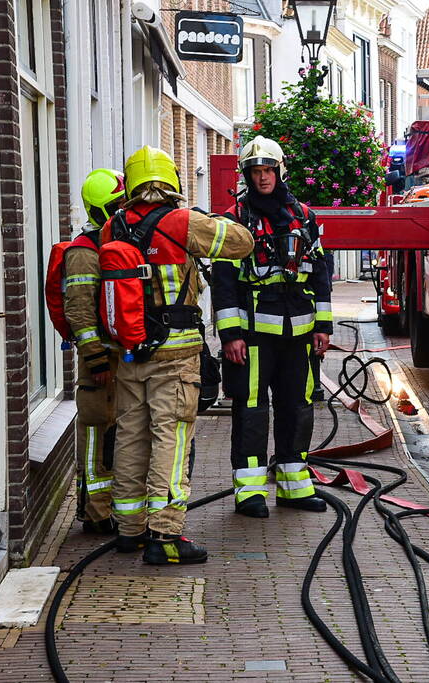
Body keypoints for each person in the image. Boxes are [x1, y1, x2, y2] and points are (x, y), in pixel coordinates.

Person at [104, 146, 253, 564]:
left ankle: (129, 529)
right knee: (171, 436)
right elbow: (243, 243)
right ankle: (165, 534)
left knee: (131, 435)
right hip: (176, 352)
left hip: (129, 352)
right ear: (171, 181)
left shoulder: (113, 227)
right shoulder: (181, 222)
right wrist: (216, 219)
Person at [212, 136, 333, 518]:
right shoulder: (234, 222)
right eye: (256, 171)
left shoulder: (304, 217)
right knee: (251, 410)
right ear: (246, 175)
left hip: (299, 336)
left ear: (279, 171)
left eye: (268, 170)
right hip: (253, 338)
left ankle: (294, 487)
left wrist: (323, 326)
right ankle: (250, 492)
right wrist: (231, 335)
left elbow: (322, 275)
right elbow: (225, 281)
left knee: (297, 408)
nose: (263, 177)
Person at [64, 168, 126, 535]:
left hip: (120, 359)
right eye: (115, 206)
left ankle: (108, 506)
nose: (121, 212)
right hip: (98, 364)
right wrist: (96, 359)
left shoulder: (113, 245)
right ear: (99, 209)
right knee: (94, 438)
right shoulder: (83, 253)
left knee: (115, 436)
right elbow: (79, 311)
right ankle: (93, 511)